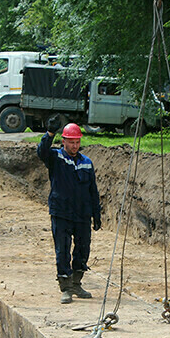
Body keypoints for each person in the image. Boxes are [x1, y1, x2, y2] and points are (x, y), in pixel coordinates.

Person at [37, 117, 102, 304]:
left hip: (82, 214)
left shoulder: (86, 163)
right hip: (62, 213)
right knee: (62, 250)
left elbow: (93, 190)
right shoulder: (56, 158)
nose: (74, 145)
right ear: (63, 141)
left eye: (77, 142)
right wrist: (49, 133)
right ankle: (65, 287)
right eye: (71, 142)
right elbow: (41, 152)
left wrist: (96, 215)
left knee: (83, 249)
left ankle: (76, 283)